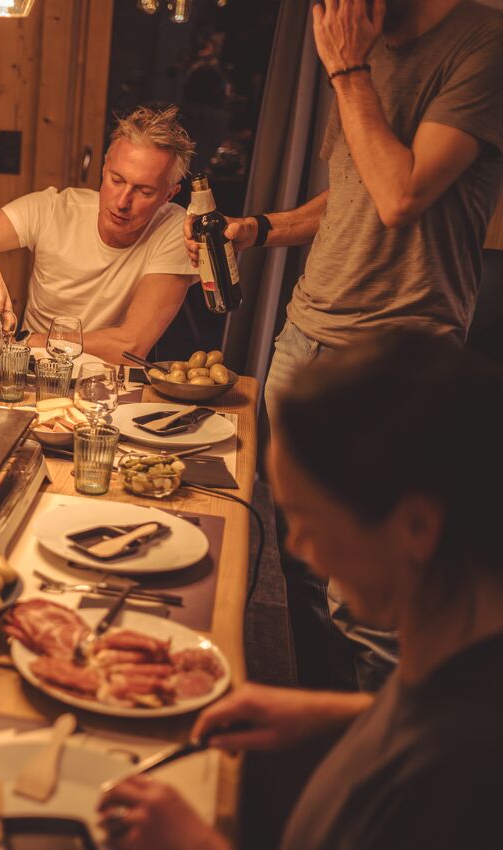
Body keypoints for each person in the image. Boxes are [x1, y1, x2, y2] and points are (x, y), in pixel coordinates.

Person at [185, 0, 503, 689]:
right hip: (304, 336)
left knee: (368, 603)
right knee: (300, 564)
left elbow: (400, 195)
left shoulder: (483, 43)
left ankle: (388, 734)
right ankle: (321, 716)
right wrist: (258, 228)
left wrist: (347, 70)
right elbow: (352, 190)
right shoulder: (366, 51)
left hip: (394, 361)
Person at [96, 329, 503, 850]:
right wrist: (333, 714)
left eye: (308, 518)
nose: (298, 546)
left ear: (417, 527)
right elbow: (432, 709)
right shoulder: (458, 654)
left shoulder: (458, 775)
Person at [0, 106, 199, 362]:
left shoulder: (176, 230)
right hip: (31, 371)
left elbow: (130, 346)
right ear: (104, 168)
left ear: (168, 195)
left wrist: (26, 341)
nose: (122, 201)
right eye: (116, 180)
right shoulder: (54, 209)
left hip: (108, 381)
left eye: (144, 191)